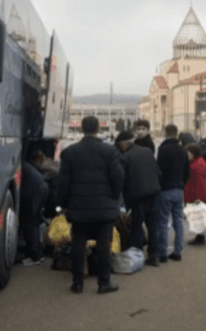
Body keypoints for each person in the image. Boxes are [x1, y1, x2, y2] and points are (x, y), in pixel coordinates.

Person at [56, 116, 125, 294]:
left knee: (78, 244)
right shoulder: (109, 151)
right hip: (104, 208)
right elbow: (118, 177)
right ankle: (104, 283)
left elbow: (63, 183)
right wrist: (113, 198)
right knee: (104, 245)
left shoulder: (70, 152)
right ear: (98, 130)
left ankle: (77, 283)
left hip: (78, 208)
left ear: (81, 129)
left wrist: (62, 205)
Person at [115, 130, 162, 267]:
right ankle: (154, 256)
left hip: (137, 196)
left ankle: (137, 256)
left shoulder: (125, 158)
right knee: (152, 226)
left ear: (124, 144)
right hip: (153, 193)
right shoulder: (147, 151)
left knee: (136, 226)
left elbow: (121, 180)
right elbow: (158, 172)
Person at [156, 124, 190, 262]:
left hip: (165, 190)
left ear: (166, 133)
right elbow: (187, 171)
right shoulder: (182, 150)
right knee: (178, 222)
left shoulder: (163, 150)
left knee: (163, 222)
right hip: (179, 190)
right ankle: (177, 252)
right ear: (177, 134)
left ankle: (163, 253)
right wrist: (182, 184)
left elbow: (158, 171)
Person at [19, 162, 49, 265]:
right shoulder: (21, 163)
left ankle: (34, 256)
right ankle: (38, 254)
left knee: (29, 223)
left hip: (34, 190)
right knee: (35, 222)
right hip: (41, 186)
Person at [184, 143, 206, 246]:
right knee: (198, 217)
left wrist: (198, 197)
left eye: (188, 152)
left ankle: (200, 238)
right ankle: (199, 237)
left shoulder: (196, 164)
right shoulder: (199, 161)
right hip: (197, 193)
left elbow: (198, 182)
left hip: (196, 194)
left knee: (198, 217)